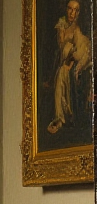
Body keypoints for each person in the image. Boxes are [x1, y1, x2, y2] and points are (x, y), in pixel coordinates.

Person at [47, 0, 91, 134]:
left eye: (75, 10)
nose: (72, 13)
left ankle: (70, 115)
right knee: (62, 71)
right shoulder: (62, 23)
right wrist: (69, 48)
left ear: (78, 12)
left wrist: (73, 57)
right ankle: (60, 117)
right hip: (64, 61)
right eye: (70, 9)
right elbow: (61, 46)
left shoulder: (78, 27)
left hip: (76, 61)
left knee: (81, 48)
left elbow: (80, 48)